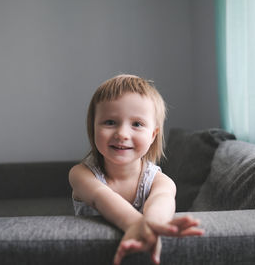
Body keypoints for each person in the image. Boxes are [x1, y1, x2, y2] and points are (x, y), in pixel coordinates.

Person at [69, 74, 204, 265]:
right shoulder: (81, 175)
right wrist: (136, 224)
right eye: (110, 122)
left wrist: (152, 224)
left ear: (153, 135)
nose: (122, 134)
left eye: (137, 124)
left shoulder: (160, 181)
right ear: (93, 127)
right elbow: (101, 197)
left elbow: (161, 200)